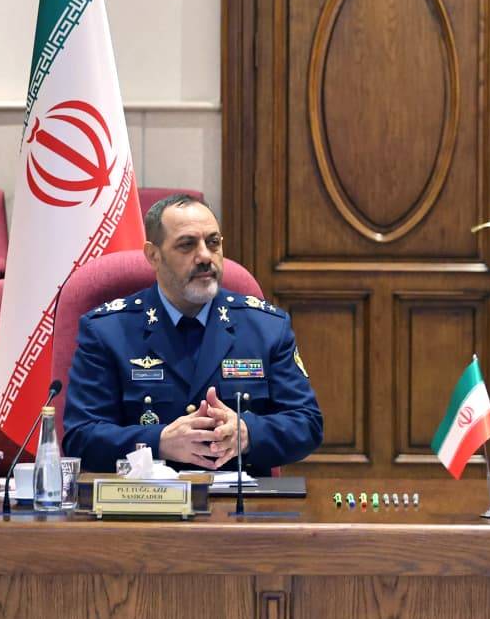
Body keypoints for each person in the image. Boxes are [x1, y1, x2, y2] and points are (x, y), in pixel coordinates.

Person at [62, 194, 323, 474]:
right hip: (147, 498)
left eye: (213, 242)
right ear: (153, 255)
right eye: (187, 245)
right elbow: (80, 437)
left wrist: (247, 434)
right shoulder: (107, 331)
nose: (205, 256)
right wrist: (159, 442)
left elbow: (307, 423)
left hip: (240, 497)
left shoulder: (266, 326)